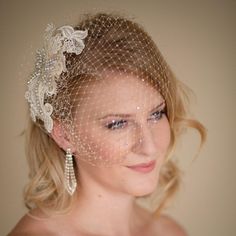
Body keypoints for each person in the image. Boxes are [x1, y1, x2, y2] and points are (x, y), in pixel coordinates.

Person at [9, 11, 206, 236]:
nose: (150, 147)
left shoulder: (170, 232)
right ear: (65, 135)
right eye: (117, 124)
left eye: (156, 114)